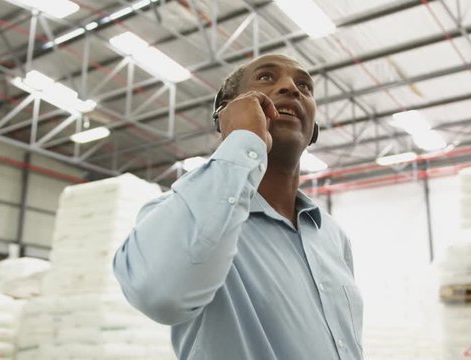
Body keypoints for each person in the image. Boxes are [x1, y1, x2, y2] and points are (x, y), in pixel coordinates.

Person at [113, 54, 363, 360]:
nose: (291, 88)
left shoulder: (332, 236)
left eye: (304, 86)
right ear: (226, 113)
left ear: (313, 131)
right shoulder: (183, 217)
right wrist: (244, 138)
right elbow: (159, 295)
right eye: (267, 78)